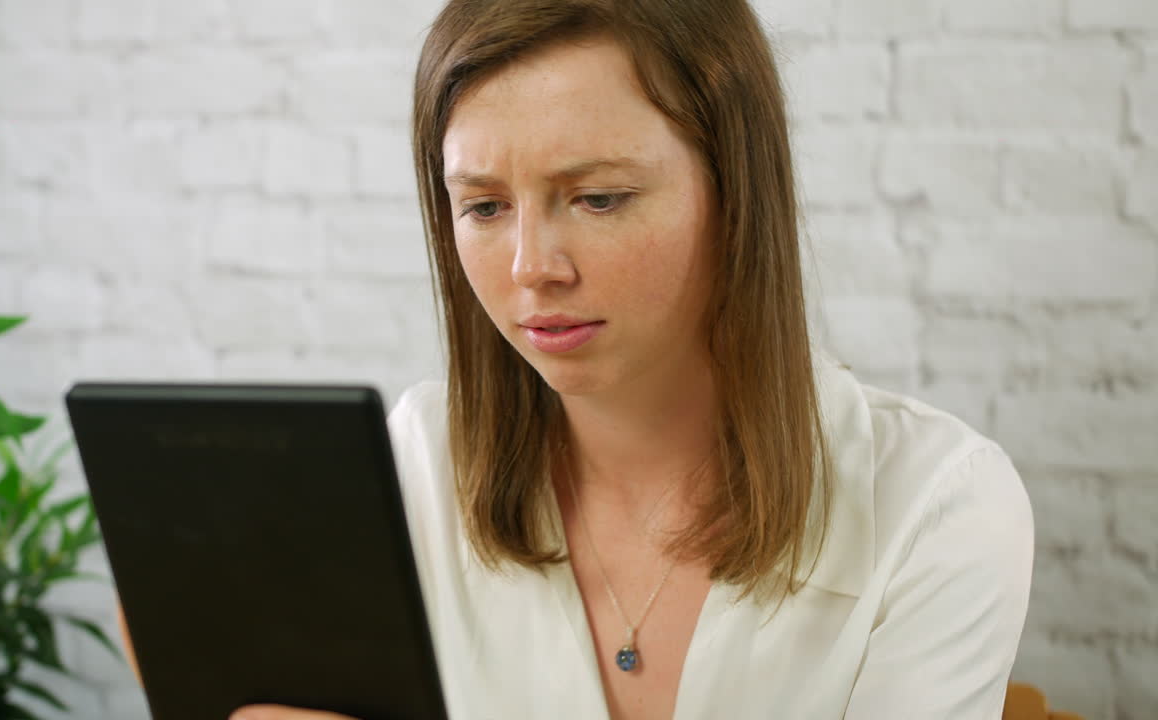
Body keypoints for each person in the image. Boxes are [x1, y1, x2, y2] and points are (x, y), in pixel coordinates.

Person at [118, 0, 1037, 717]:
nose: (530, 269)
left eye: (597, 198)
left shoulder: (936, 509)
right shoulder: (411, 468)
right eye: (482, 207)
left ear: (737, 190)